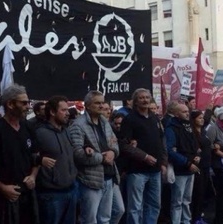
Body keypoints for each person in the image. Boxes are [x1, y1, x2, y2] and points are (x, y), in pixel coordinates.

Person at [0, 84, 40, 224]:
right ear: (10, 104)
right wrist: (2, 188)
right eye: (24, 103)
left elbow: (36, 156)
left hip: (28, 195)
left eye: (28, 102)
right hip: (5, 200)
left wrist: (33, 176)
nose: (28, 106)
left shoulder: (28, 127)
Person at [69, 90, 121, 224]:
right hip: (90, 180)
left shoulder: (105, 122)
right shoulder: (78, 125)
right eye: (97, 103)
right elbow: (77, 154)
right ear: (87, 105)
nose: (102, 106)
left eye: (103, 102)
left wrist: (113, 153)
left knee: (105, 218)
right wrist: (102, 158)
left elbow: (114, 144)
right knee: (89, 219)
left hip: (109, 176)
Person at [119, 88, 167, 224]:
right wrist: (144, 156)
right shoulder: (129, 119)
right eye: (141, 98)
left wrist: (163, 162)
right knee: (135, 207)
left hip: (155, 170)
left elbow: (162, 141)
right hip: (137, 171)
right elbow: (124, 145)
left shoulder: (155, 118)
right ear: (135, 101)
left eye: (147, 97)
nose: (145, 100)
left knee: (154, 205)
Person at [35, 96, 78, 224]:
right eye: (63, 110)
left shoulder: (66, 132)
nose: (67, 113)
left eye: (67, 110)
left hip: (71, 190)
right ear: (52, 112)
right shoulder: (40, 133)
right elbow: (28, 155)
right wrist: (39, 159)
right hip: (51, 194)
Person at [166, 104, 199, 224]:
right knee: (177, 201)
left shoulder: (188, 126)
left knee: (187, 200)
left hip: (191, 168)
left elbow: (194, 145)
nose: (187, 113)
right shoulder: (171, 128)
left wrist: (196, 156)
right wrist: (187, 163)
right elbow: (169, 150)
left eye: (187, 111)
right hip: (181, 169)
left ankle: (186, 221)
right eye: (184, 111)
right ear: (176, 114)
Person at [190, 110, 212, 224]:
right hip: (198, 166)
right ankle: (195, 218)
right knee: (197, 193)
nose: (202, 119)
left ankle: (199, 216)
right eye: (199, 118)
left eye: (202, 118)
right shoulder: (192, 133)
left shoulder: (203, 131)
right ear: (193, 120)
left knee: (203, 192)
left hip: (206, 165)